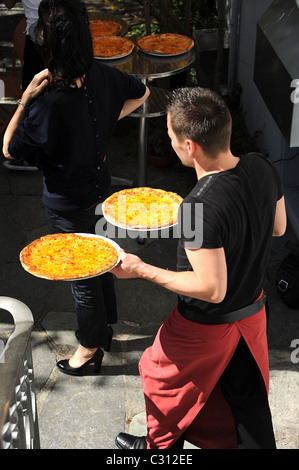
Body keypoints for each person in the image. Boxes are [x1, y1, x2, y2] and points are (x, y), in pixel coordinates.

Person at [112, 87, 287, 449]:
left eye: (172, 137)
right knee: (245, 395)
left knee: (159, 379)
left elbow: (212, 288)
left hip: (205, 326)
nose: (171, 142)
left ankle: (158, 450)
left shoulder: (196, 208)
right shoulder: (262, 165)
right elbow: (278, 227)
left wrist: (141, 268)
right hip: (252, 313)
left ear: (189, 146)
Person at [3, 0, 150, 376]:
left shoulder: (46, 102)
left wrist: (26, 97)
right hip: (100, 189)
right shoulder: (103, 75)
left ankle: (88, 349)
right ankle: (104, 330)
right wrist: (101, 126)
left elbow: (8, 148)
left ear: (50, 46)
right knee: (103, 256)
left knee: (81, 274)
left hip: (67, 202)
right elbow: (143, 92)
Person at [2, 0, 44, 171]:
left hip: (39, 41)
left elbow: (9, 3)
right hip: (70, 35)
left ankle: (32, 157)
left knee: (34, 99)